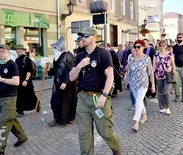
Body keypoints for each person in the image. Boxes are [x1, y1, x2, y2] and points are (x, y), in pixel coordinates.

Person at [69, 27, 121, 155]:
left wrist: (104, 95)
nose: (83, 39)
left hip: (98, 98)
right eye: (82, 36)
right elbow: (71, 77)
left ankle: (116, 149)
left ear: (94, 37)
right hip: (83, 97)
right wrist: (80, 65)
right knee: (84, 133)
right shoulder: (80, 55)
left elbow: (110, 76)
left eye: (86, 36)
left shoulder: (103, 54)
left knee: (105, 131)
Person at [0, 44, 27, 155]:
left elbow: (16, 82)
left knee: (4, 122)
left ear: (8, 52)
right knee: (10, 118)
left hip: (9, 97)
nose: (1, 54)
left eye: (3, 51)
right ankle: (22, 137)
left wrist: (1, 79)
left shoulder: (12, 65)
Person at [125, 40, 155, 131]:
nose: (137, 49)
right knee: (140, 102)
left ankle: (136, 123)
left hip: (143, 84)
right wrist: (130, 62)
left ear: (143, 47)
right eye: (135, 47)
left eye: (139, 47)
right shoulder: (131, 57)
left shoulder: (147, 58)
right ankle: (144, 115)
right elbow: (126, 69)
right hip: (133, 83)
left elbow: (150, 73)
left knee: (138, 102)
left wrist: (153, 85)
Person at [48, 36, 76, 127]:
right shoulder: (56, 57)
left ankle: (68, 118)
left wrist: (65, 82)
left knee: (66, 102)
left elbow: (69, 70)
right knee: (55, 101)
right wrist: (48, 70)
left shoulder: (68, 56)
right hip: (57, 83)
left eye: (55, 47)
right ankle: (57, 118)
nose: (54, 49)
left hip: (66, 84)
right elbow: (55, 70)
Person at [15, 44, 38, 117]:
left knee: (30, 95)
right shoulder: (17, 60)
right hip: (19, 81)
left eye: (20, 49)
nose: (18, 50)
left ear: (23, 50)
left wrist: (26, 80)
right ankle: (20, 111)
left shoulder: (26, 59)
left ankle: (37, 104)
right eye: (17, 49)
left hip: (26, 81)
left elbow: (29, 71)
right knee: (19, 96)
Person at [153, 40, 176, 114]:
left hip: (168, 75)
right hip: (159, 75)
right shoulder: (156, 55)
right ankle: (162, 107)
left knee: (166, 91)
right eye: (161, 45)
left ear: (166, 46)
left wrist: (174, 71)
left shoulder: (170, 54)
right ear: (159, 46)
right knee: (160, 91)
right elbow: (154, 65)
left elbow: (173, 64)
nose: (162, 47)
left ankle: (168, 107)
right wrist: (151, 74)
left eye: (164, 45)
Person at [173, 33, 183, 102]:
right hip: (176, 66)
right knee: (175, 81)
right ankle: (177, 95)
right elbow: (173, 56)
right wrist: (172, 65)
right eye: (178, 37)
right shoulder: (175, 47)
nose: (179, 39)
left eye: (180, 37)